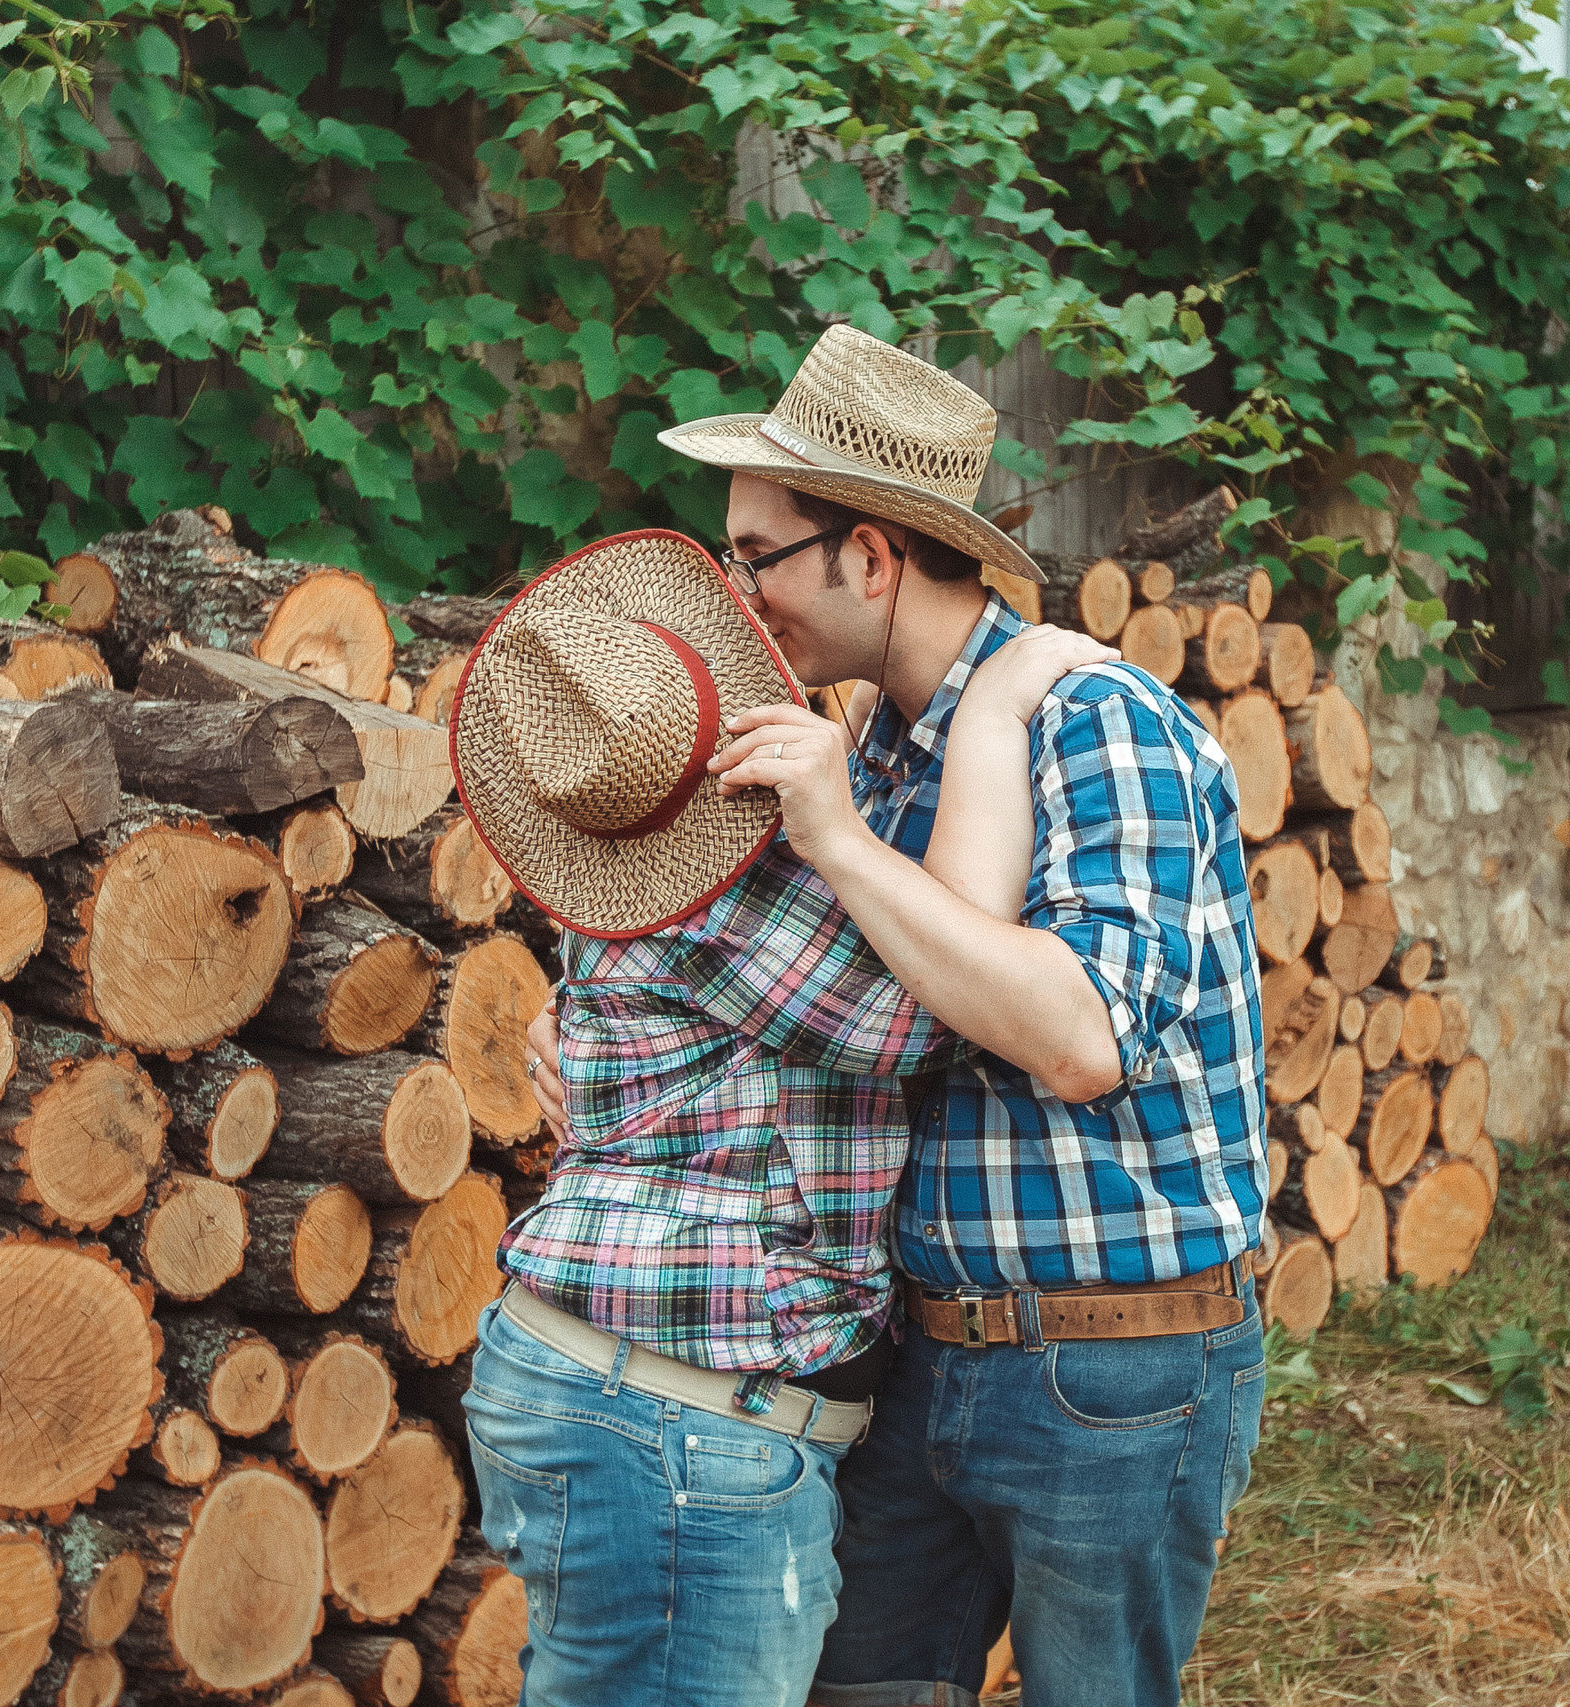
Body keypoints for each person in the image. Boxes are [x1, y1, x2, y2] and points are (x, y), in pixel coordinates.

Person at [531, 323, 1269, 1706]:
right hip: (914, 1352)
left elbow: (1078, 1037)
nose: (734, 594)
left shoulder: (1094, 720)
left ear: (869, 557)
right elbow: (804, 992)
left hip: (1111, 1358)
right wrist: (585, 1032)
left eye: (757, 556)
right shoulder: (864, 739)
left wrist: (849, 838)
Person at [444, 528, 1110, 1707]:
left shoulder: (635, 852)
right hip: (671, 1423)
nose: (746, 588)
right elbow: (939, 1009)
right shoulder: (731, 889)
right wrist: (989, 723)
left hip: (628, 1393)